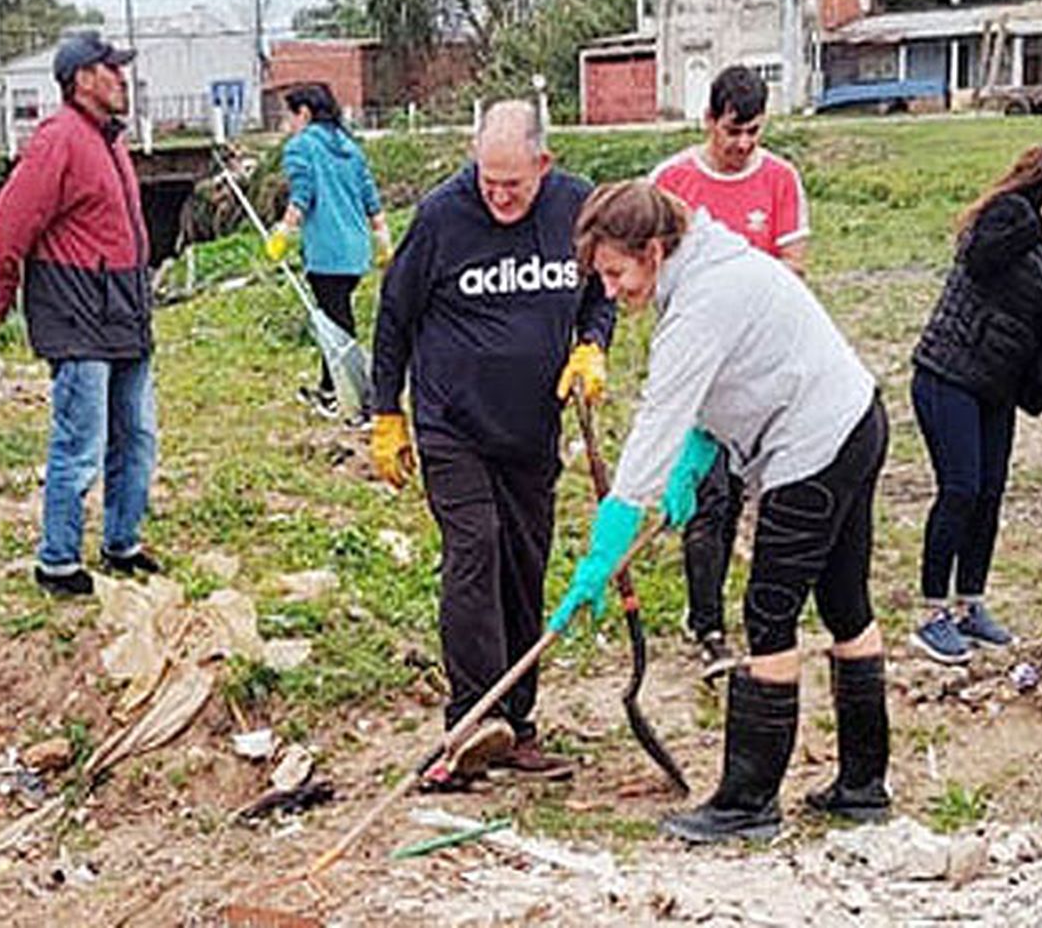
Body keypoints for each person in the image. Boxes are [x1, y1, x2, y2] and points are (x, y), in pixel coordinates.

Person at [551, 180, 890, 843]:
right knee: (846, 603)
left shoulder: (704, 298)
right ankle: (862, 787)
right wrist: (696, 460)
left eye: (617, 273)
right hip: (855, 418)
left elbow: (658, 420)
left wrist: (605, 548)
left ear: (652, 249)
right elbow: (730, 375)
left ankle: (747, 802)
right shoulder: (704, 263)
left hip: (815, 442)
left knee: (768, 615)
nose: (612, 292)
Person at [370, 100, 616, 784]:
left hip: (533, 427)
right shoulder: (443, 216)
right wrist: (386, 413)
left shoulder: (575, 207)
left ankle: (520, 723)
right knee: (475, 549)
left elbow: (601, 290)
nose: (499, 195)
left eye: (514, 182)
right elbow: (394, 317)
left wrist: (592, 346)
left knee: (523, 566)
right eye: (488, 180)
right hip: (454, 423)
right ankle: (472, 722)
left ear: (545, 163)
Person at [0, 31, 161, 597]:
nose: (123, 79)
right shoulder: (59, 139)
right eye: (113, 70)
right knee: (79, 445)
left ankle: (121, 542)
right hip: (78, 317)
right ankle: (57, 561)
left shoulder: (110, 142)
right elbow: (6, 228)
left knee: (136, 437)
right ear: (83, 79)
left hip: (124, 314)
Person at [648, 65, 810, 675]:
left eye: (754, 132)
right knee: (708, 496)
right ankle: (707, 623)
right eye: (733, 131)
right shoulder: (672, 181)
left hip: (762, 370)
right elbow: (648, 266)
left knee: (748, 491)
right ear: (709, 120)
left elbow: (794, 265)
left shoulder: (780, 179)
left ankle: (756, 616)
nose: (743, 144)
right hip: (698, 370)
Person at [908, 145, 1042, 664]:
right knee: (961, 489)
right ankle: (930, 615)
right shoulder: (1010, 214)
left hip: (997, 388)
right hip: (947, 374)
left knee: (991, 494)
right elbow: (981, 256)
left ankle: (970, 605)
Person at [265, 82, 391, 418]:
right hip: (356, 250)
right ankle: (329, 388)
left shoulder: (301, 147)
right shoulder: (349, 147)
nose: (287, 124)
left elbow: (302, 194)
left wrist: (283, 232)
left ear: (303, 113)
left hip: (326, 251)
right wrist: (384, 241)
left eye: (288, 116)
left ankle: (348, 394)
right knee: (334, 316)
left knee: (336, 322)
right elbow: (370, 198)